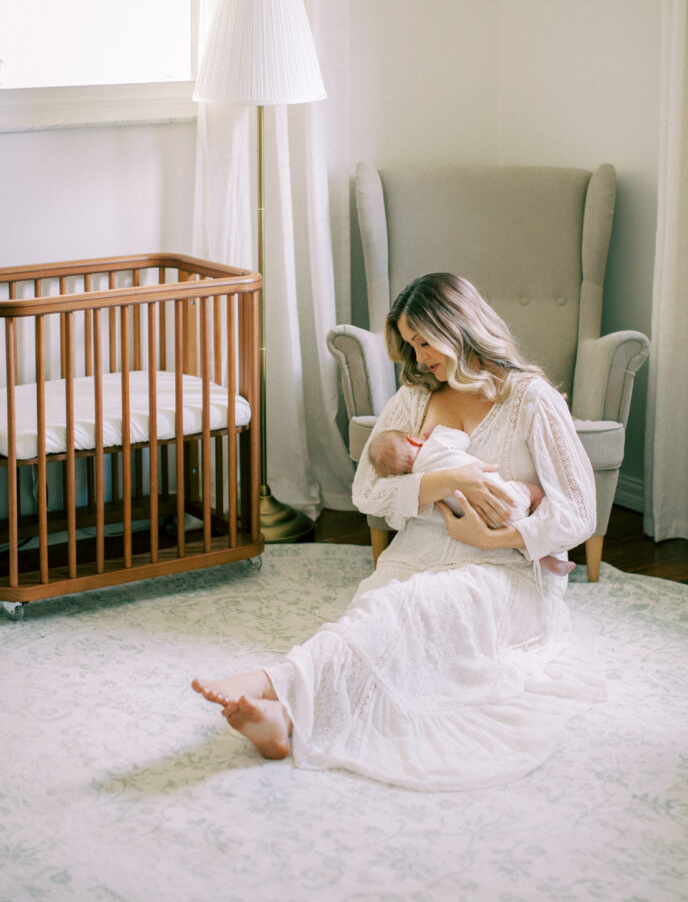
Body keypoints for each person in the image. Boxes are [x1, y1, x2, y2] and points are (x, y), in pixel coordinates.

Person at [193, 273, 605, 790]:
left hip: (505, 572)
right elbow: (367, 491)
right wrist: (443, 479)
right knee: (376, 628)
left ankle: (273, 685)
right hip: (415, 557)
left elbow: (578, 512)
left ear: (458, 328)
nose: (419, 354)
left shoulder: (529, 399)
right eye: (410, 344)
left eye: (425, 340)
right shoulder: (415, 397)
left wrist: (493, 540)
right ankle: (283, 721)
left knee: (404, 615)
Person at [367, 424, 575, 578]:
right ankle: (538, 517)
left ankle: (544, 559)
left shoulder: (418, 481)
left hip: (485, 520)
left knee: (515, 539)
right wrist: (434, 431)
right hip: (508, 497)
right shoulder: (436, 444)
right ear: (413, 440)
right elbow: (461, 437)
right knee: (534, 492)